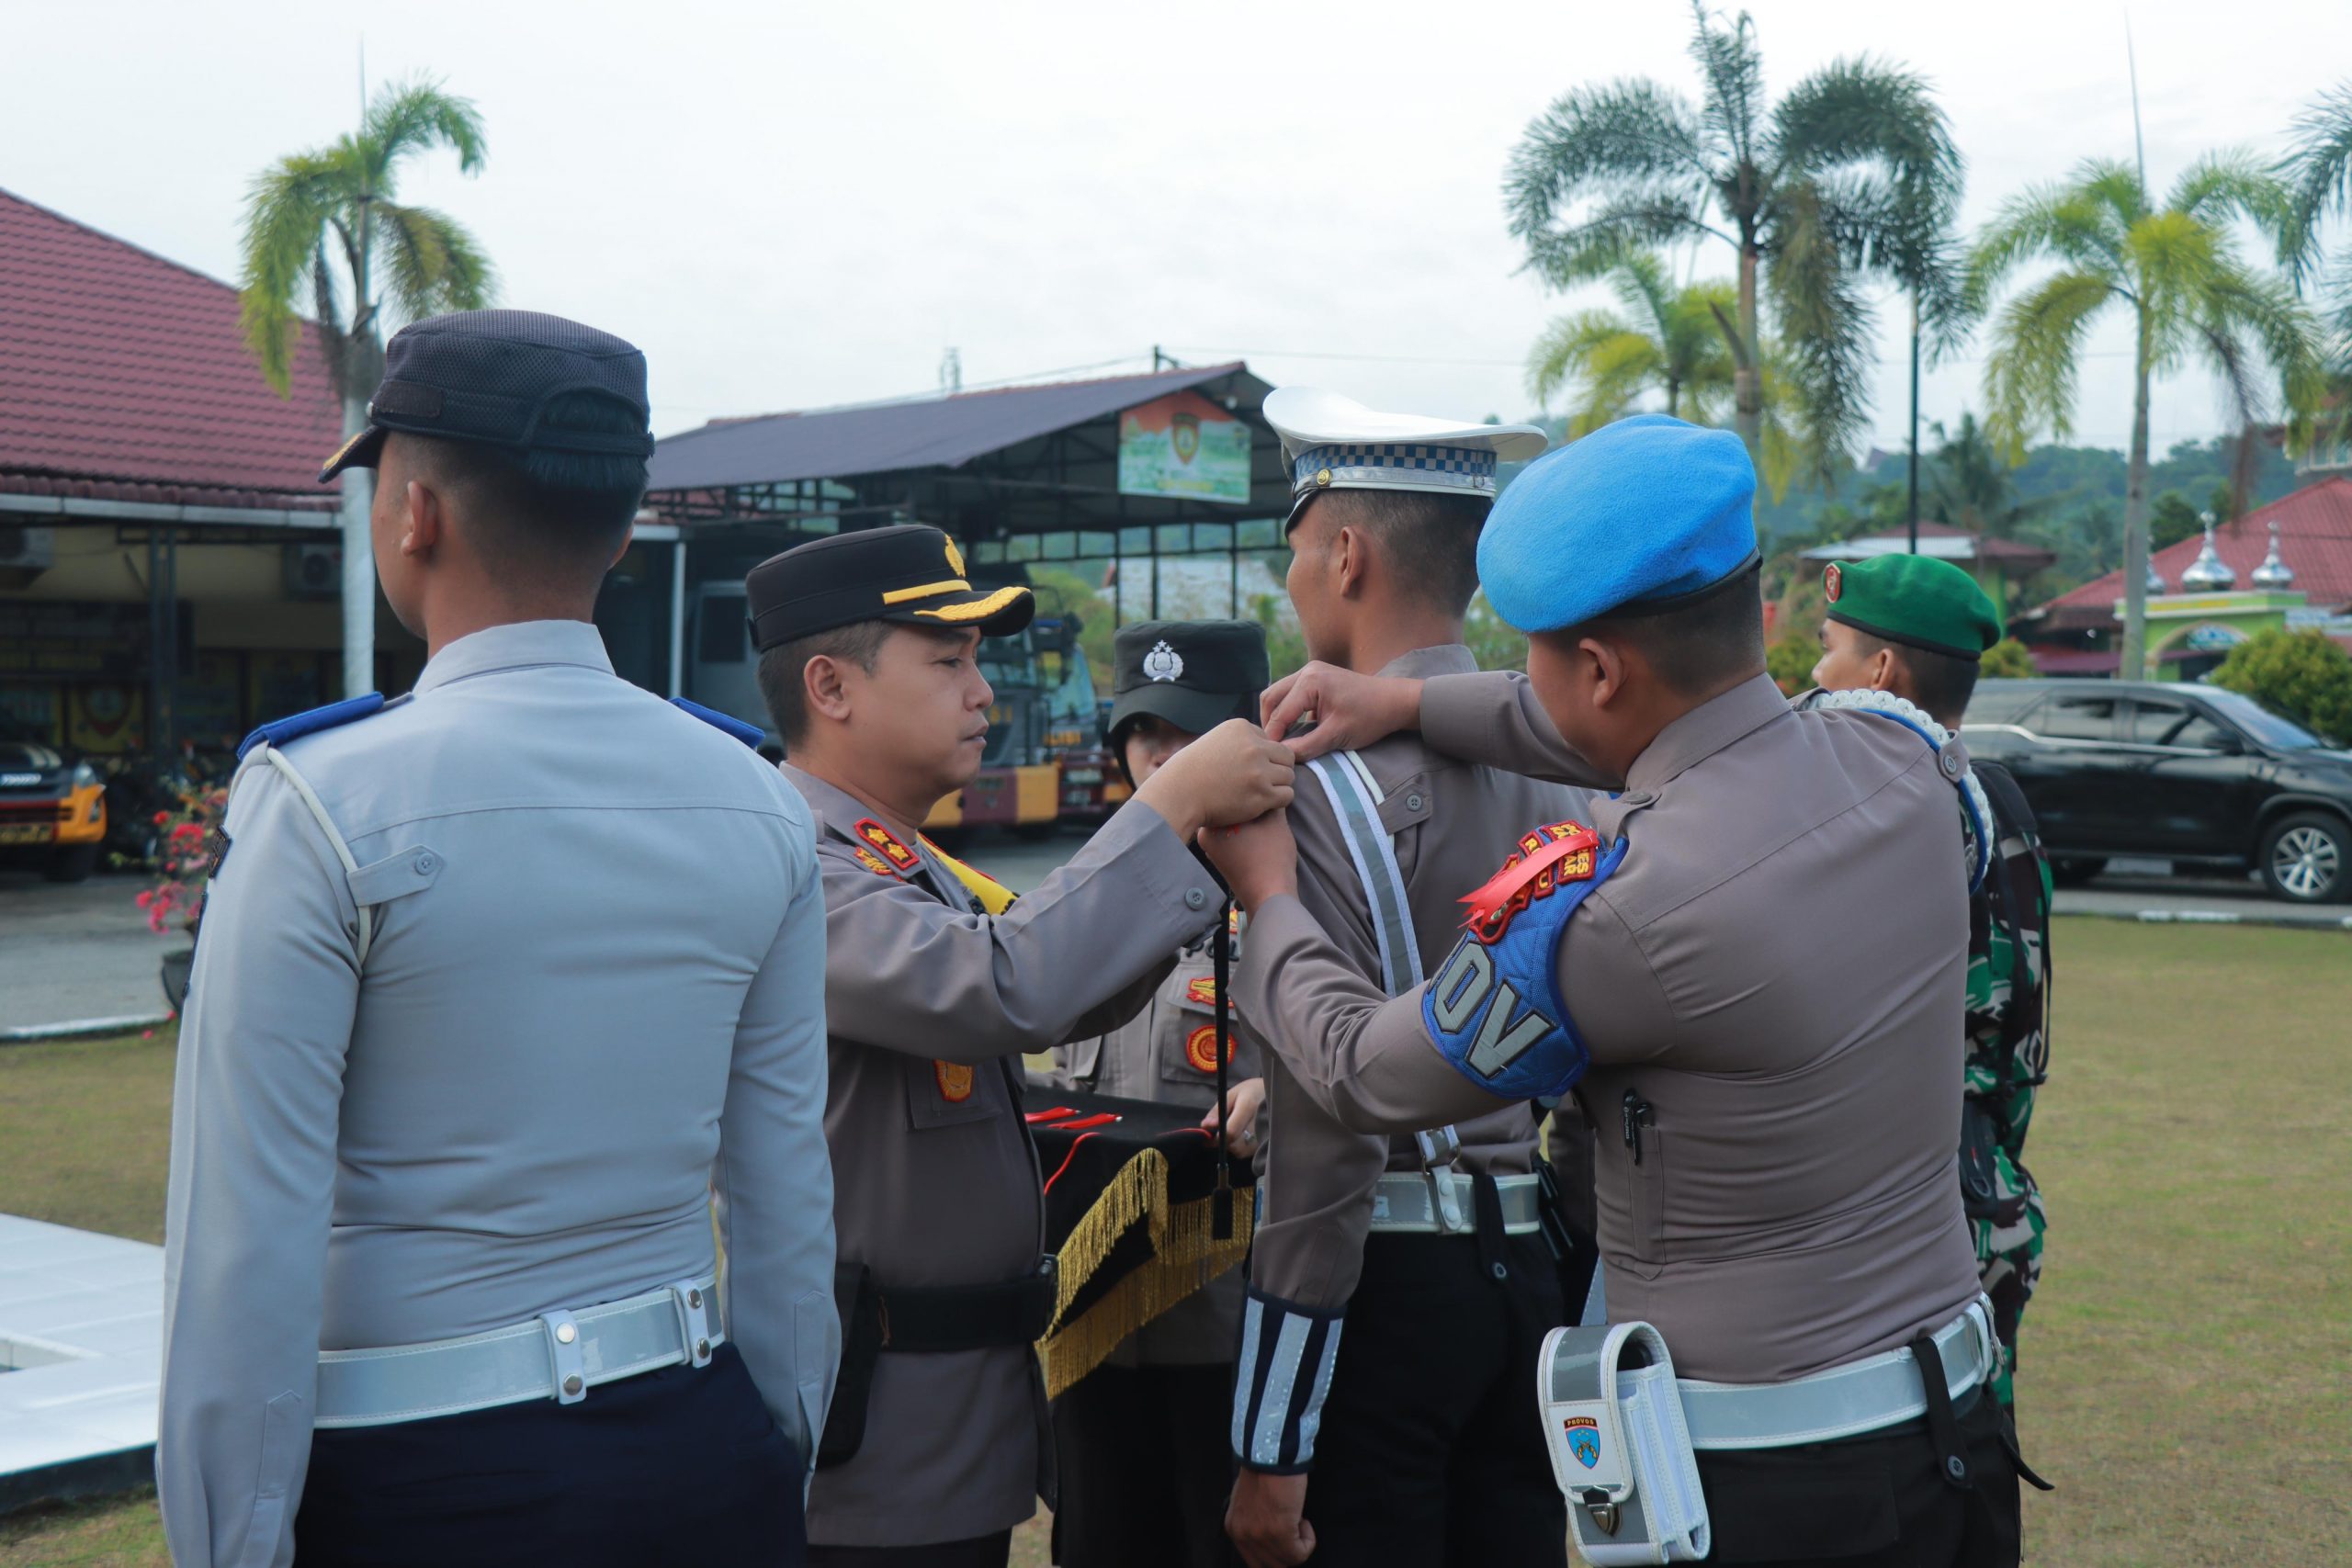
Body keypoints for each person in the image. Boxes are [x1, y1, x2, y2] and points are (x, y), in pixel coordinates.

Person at [1209, 414, 2037, 1566]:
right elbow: (1619, 727)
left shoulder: (1615, 923)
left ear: (1595, 669)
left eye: (1541, 653)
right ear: (1754, 611)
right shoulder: (1907, 760)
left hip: (1764, 1486)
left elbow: (1358, 1073)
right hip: (1953, 1427)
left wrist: (1271, 899)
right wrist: (1400, 702)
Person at [159, 310, 838, 1568]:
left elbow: (241, 1241)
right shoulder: (755, 796)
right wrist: (768, 1447)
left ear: (414, 512)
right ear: (623, 528)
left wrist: (229, 1540)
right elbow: (787, 1190)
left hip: (413, 1471)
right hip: (701, 1445)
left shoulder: (319, 799)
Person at [744, 525, 1295, 1568]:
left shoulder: (898, 859)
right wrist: (1170, 803)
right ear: (830, 686)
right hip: (873, 1432)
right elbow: (1006, 986)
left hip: (948, 1411)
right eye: (948, 662)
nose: (983, 693)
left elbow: (1054, 992)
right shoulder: (790, 858)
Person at [1222, 389, 1596, 1568]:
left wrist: (1272, 1442)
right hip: (1530, 1271)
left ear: (1346, 554)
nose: (1291, 582)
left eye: (1295, 551)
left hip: (1384, 1292)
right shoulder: (1575, 773)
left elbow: (1330, 1137)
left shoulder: (1316, 783)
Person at [1040, 618, 1272, 1568]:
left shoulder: (1295, 898)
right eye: (1145, 734)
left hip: (1226, 1325)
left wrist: (1279, 1109)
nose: (1164, 758)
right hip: (1092, 1319)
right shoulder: (1076, 906)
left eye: (1190, 736)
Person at [1809, 553, 2052, 1410]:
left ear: (1880, 671)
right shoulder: (2000, 803)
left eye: (1829, 647)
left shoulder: (1874, 813)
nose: (1814, 671)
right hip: (1985, 1193)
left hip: (1890, 1217)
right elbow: (2023, 1040)